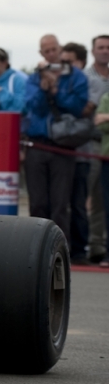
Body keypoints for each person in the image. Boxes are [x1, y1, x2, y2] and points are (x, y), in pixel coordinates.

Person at [24, 34, 89, 245]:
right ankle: (35, 248)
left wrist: (56, 90)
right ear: (41, 54)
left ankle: (60, 248)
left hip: (62, 146)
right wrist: (44, 90)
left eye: (54, 50)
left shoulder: (76, 76)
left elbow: (78, 107)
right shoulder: (35, 77)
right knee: (38, 202)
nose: (51, 54)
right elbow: (33, 107)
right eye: (46, 51)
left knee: (61, 204)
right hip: (37, 144)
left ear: (60, 50)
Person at [60, 42, 93, 264]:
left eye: (70, 62)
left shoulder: (84, 83)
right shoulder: (62, 82)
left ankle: (80, 249)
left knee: (79, 204)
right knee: (62, 203)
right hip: (61, 152)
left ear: (80, 62)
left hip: (82, 155)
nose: (66, 66)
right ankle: (66, 246)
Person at [86, 35, 109, 263]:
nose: (105, 51)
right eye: (101, 47)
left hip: (107, 146)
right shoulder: (84, 77)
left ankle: (99, 246)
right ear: (93, 51)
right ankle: (88, 244)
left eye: (108, 48)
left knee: (103, 201)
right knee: (85, 197)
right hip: (88, 145)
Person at [94, 90, 109, 267]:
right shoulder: (106, 97)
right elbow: (100, 125)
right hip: (107, 160)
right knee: (107, 208)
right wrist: (104, 119)